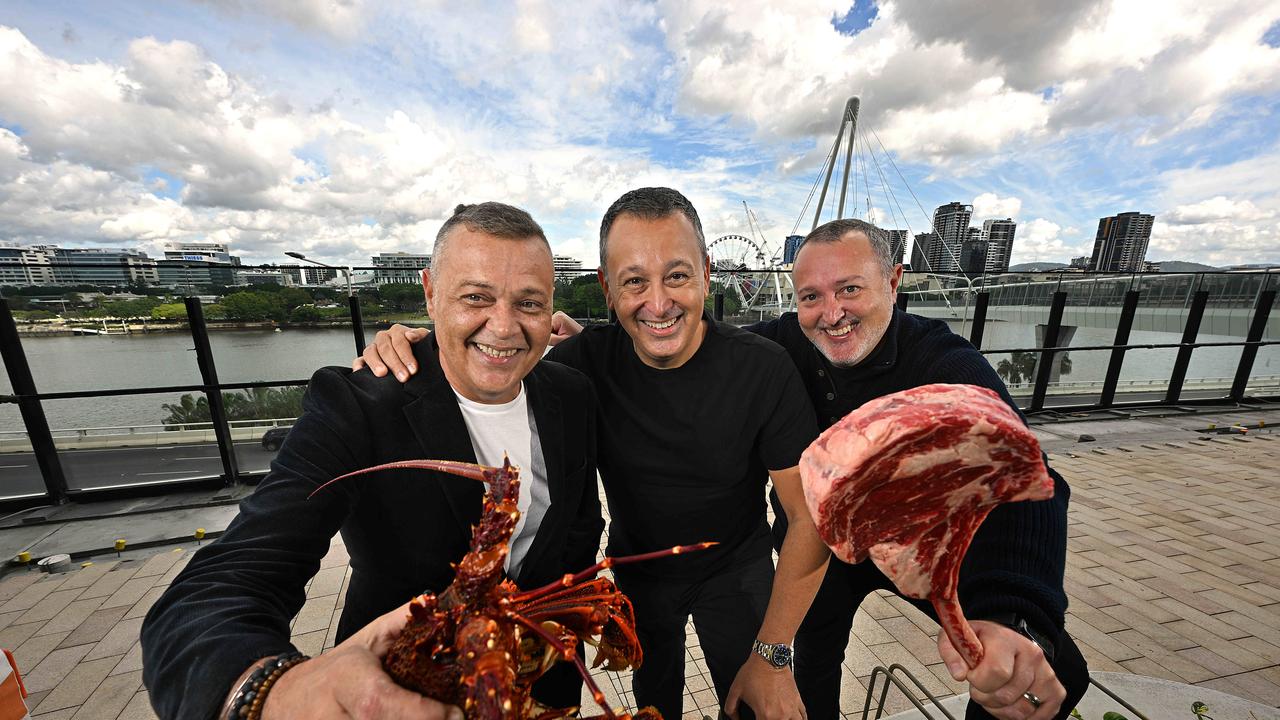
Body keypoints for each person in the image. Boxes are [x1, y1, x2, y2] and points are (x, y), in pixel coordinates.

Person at [361, 217, 1091, 720]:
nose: (830, 313)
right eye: (811, 295)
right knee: (731, 686)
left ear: (894, 283)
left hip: (877, 548)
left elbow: (1027, 476)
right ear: (608, 291)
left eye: (851, 291)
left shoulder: (938, 363)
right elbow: (506, 346)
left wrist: (1015, 611)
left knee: (993, 669)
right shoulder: (767, 343)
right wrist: (432, 338)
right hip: (683, 566)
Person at [357, 187, 829, 720]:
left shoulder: (763, 369)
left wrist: (774, 654)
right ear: (606, 287)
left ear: (706, 273)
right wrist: (413, 341)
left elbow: (807, 516)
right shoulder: (581, 365)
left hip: (738, 567)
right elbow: (493, 346)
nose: (657, 303)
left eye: (676, 275)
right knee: (654, 701)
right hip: (637, 571)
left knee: (754, 704)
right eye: (634, 281)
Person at [141, 202, 604, 720]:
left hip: (547, 681)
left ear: (550, 308)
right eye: (475, 297)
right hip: (405, 689)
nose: (503, 326)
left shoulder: (573, 392)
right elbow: (221, 585)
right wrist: (263, 692)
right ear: (429, 293)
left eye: (529, 303)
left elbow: (581, 525)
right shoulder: (357, 404)